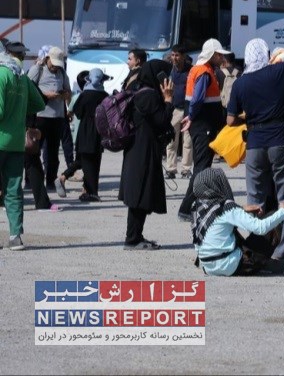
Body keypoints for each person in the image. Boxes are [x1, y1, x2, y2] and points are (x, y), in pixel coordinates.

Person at [227, 39, 284, 265]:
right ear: (266, 54)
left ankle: (255, 247)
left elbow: (230, 120)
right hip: (280, 140)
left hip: (255, 144)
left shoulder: (241, 83)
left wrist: (250, 116)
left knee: (254, 197)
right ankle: (280, 250)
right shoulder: (280, 70)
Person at [191, 167, 284, 276]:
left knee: (229, 232)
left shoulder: (196, 207)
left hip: (208, 267)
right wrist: (283, 210)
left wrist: (241, 209)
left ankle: (260, 262)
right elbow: (260, 228)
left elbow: (214, 221)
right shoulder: (226, 207)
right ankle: (260, 262)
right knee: (272, 221)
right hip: (229, 266)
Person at [119, 59, 175, 250]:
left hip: (138, 149)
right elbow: (162, 120)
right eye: (164, 76)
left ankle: (135, 236)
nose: (167, 80)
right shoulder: (149, 95)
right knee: (139, 194)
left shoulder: (140, 89)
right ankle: (132, 239)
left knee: (140, 194)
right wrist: (168, 100)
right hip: (142, 151)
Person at [0, 38, 46, 250]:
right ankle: (15, 236)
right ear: (19, 57)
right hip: (16, 143)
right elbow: (39, 103)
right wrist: (19, 114)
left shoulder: (1, 74)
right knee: (13, 190)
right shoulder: (23, 79)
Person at [178, 39, 230, 220]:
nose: (222, 57)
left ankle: (192, 206)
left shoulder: (200, 69)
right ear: (213, 55)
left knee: (202, 166)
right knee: (201, 167)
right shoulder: (205, 73)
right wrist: (191, 116)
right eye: (219, 54)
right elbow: (198, 99)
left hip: (201, 125)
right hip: (203, 126)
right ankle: (186, 208)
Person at [26, 46, 71, 199]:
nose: (55, 68)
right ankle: (30, 180)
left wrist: (64, 95)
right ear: (47, 59)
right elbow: (28, 88)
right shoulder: (37, 70)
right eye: (54, 65)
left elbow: (68, 92)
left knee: (52, 152)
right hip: (40, 116)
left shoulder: (63, 74)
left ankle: (50, 180)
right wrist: (45, 95)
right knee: (33, 150)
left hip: (57, 117)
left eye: (58, 65)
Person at [71, 68, 110, 202]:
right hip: (99, 132)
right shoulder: (105, 95)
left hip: (85, 130)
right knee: (96, 162)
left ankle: (90, 192)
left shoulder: (85, 94)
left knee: (86, 162)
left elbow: (78, 113)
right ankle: (93, 191)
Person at [164, 45, 194, 179]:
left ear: (183, 56)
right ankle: (171, 169)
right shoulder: (170, 70)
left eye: (177, 55)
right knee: (171, 142)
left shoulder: (191, 71)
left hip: (187, 109)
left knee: (187, 142)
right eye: (172, 55)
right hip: (174, 110)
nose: (174, 58)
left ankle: (186, 169)